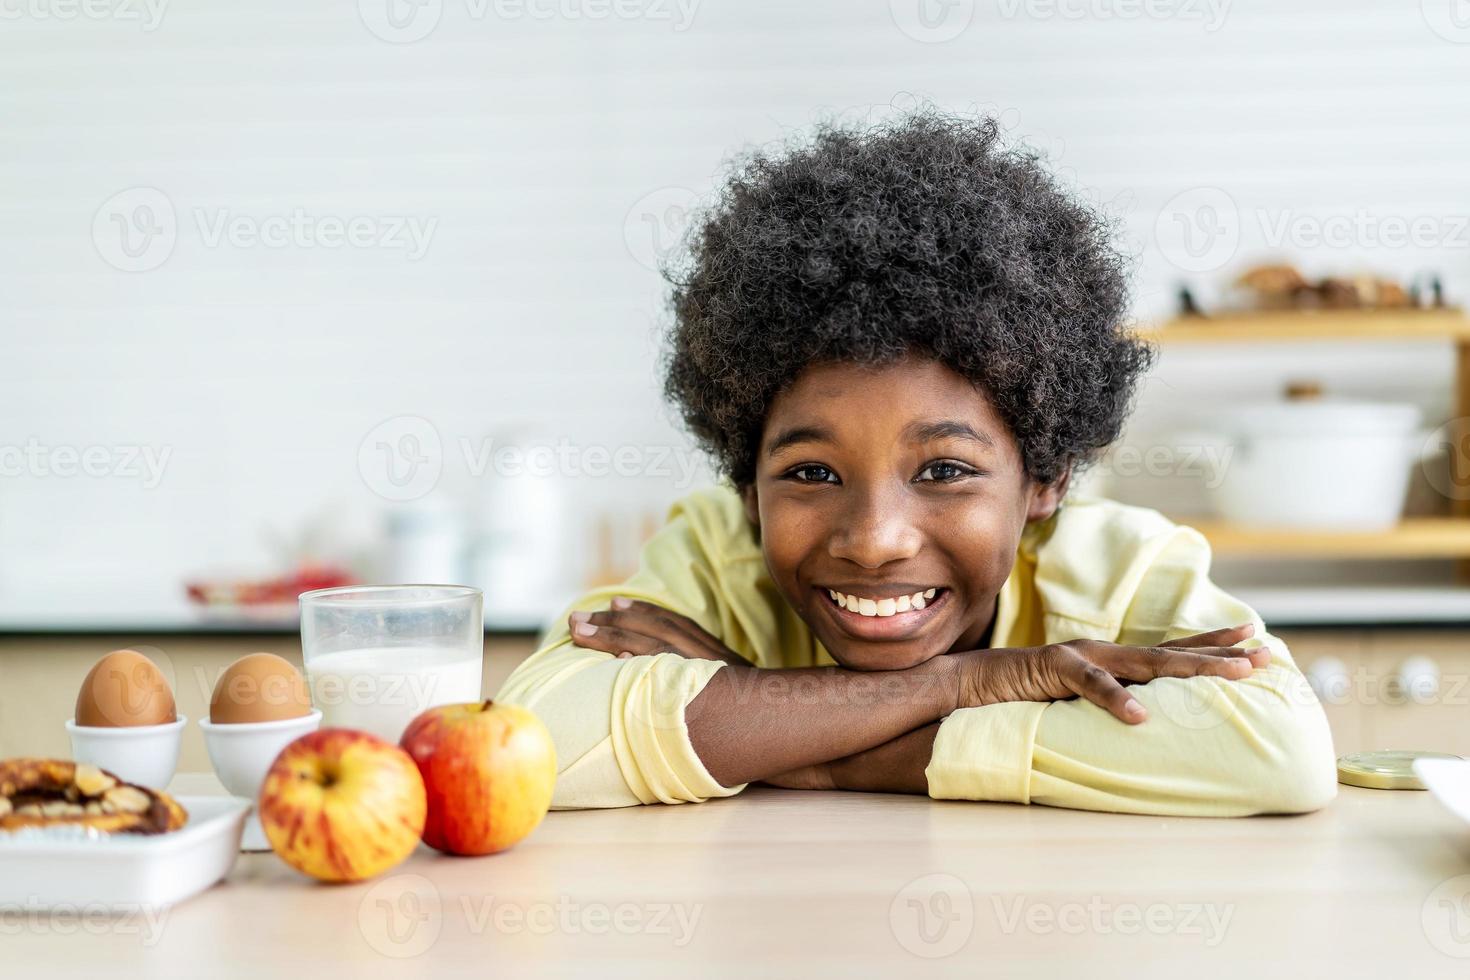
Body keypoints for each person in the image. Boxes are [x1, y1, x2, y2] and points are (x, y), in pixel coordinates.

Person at [497, 109, 1337, 816]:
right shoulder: (714, 553)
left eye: (943, 471)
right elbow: (535, 735)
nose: (874, 541)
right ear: (745, 486)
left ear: (1045, 478)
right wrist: (966, 685)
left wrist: (786, 736)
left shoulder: (1118, 568)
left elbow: (1281, 750)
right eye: (812, 474)